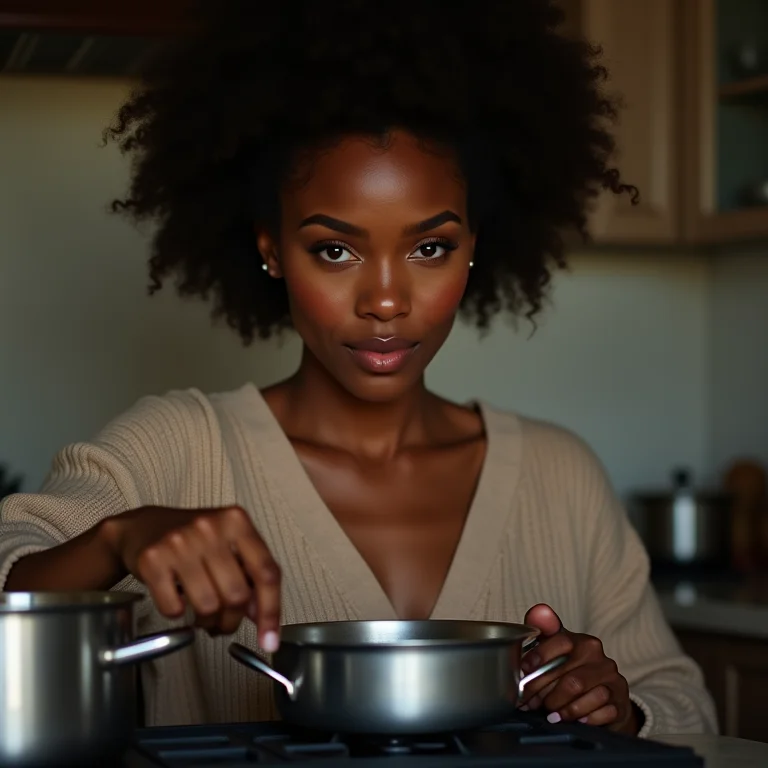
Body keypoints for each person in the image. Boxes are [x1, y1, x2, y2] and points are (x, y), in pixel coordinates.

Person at [0, 0, 716, 738]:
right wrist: (116, 538)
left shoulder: (559, 477)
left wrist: (621, 706)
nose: (384, 300)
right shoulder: (177, 450)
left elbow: (686, 706)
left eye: (430, 248)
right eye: (335, 250)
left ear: (475, 245)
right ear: (271, 248)